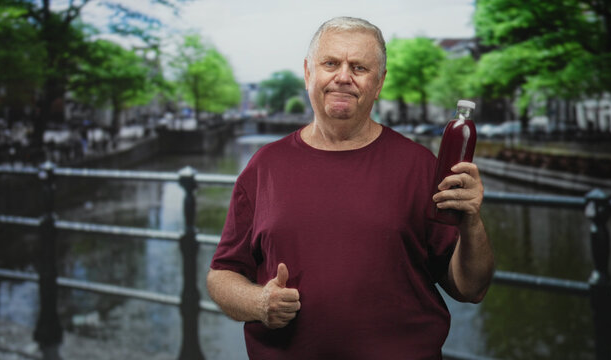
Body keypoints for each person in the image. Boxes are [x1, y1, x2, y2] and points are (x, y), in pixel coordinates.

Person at [207, 16, 494, 360]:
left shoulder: (419, 166)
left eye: (359, 67)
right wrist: (259, 303)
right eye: (331, 63)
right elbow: (222, 275)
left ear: (379, 82)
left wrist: (472, 222)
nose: (343, 76)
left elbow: (470, 287)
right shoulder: (264, 166)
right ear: (308, 72)